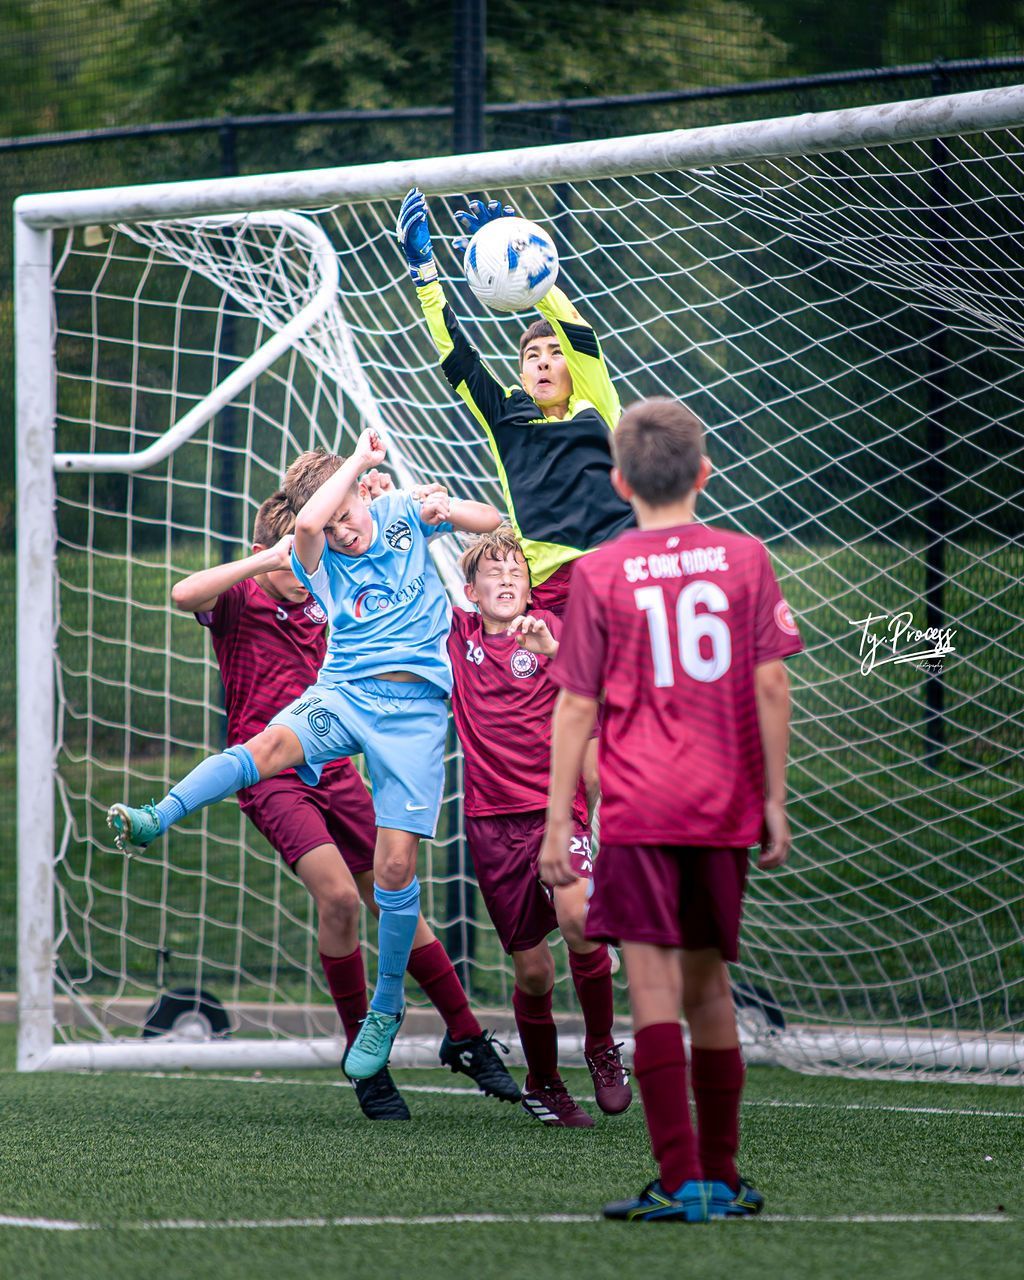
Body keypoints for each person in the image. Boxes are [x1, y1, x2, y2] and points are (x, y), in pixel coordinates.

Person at [108, 428, 503, 1083]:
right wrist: (290, 539)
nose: (336, 538)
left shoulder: (376, 539)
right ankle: (161, 812)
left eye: (349, 517)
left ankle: (452, 1030)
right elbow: (192, 590)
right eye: (317, 532)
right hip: (316, 736)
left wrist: (421, 499)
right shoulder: (276, 580)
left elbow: (478, 523)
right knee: (335, 890)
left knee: (395, 880)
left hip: (390, 733)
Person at [539, 398, 803, 1222]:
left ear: (619, 481)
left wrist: (556, 825)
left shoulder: (601, 571)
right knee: (710, 987)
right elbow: (771, 683)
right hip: (722, 805)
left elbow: (576, 707)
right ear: (705, 471)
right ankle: (722, 1179)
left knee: (650, 988)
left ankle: (681, 1179)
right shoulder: (747, 559)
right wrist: (772, 801)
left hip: (640, 809)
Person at [395, 187, 636, 802]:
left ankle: (644, 839)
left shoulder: (596, 405)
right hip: (551, 592)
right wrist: (426, 276)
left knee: (633, 723)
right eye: (533, 356)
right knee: (571, 738)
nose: (547, 362)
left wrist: (533, 259)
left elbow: (576, 329)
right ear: (522, 370)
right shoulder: (506, 418)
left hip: (617, 577)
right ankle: (573, 843)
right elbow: (456, 354)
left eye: (555, 354)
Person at [448, 525, 632, 1127]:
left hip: (557, 814)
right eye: (492, 574)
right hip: (489, 824)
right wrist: (434, 512)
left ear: (532, 589)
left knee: (579, 919)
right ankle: (545, 1081)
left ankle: (602, 1049)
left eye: (516, 572)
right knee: (532, 970)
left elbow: (604, 693)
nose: (506, 579)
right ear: (470, 591)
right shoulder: (456, 636)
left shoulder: (556, 635)